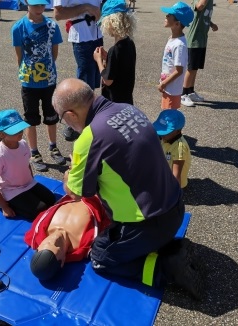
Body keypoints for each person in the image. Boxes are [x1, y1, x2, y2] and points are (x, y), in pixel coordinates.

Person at [52, 78, 203, 299]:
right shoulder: (128, 109)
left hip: (151, 224)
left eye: (62, 119)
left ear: (71, 115)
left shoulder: (88, 138)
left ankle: (167, 267)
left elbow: (76, 192)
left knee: (100, 258)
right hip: (175, 207)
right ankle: (164, 247)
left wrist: (69, 174)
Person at [11, 0, 66, 172]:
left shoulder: (52, 25)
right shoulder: (18, 27)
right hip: (29, 82)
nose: (39, 9)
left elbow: (54, 52)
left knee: (51, 117)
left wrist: (46, 70)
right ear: (26, 3)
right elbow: (19, 56)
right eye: (35, 5)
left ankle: (53, 146)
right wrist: (27, 73)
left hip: (48, 80)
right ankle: (34, 152)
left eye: (42, 5)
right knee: (31, 119)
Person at [0, 109, 56, 221]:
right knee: (39, 210)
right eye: (14, 131)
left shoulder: (23, 144)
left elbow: (26, 164)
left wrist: (32, 182)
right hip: (11, 190)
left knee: (51, 199)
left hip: (28, 184)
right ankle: (1, 202)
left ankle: (26, 198)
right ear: (1, 134)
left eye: (20, 128)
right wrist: (5, 206)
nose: (20, 132)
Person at [25, 194, 110, 280]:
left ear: (38, 248)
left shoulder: (38, 232)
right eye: (57, 245)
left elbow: (43, 214)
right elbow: (107, 224)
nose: (55, 238)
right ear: (62, 261)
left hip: (74, 192)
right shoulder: (85, 245)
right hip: (102, 196)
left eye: (47, 242)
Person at [53, 0, 103, 142]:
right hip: (82, 38)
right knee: (83, 83)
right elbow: (58, 14)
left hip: (98, 35)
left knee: (94, 82)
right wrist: (86, 7)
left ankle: (90, 118)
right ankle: (76, 122)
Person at [93, 0, 136, 105]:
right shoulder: (130, 43)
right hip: (126, 99)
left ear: (111, 22)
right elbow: (121, 64)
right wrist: (107, 57)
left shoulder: (115, 50)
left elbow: (107, 80)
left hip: (114, 102)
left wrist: (99, 60)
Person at [181, 0, 218, 107]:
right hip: (194, 39)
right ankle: (183, 94)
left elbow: (203, 15)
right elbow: (199, 6)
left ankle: (190, 92)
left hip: (202, 38)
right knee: (191, 68)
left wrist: (211, 24)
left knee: (195, 68)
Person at [158, 2, 194, 110]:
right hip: (168, 86)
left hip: (172, 89)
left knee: (169, 116)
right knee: (166, 113)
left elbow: (179, 70)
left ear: (177, 24)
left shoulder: (179, 45)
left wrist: (164, 83)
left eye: (169, 15)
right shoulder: (172, 38)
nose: (166, 16)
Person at [153, 109, 191, 189]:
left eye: (165, 132)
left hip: (173, 183)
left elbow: (176, 176)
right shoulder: (165, 138)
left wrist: (174, 197)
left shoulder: (179, 148)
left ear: (177, 131)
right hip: (165, 173)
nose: (161, 134)